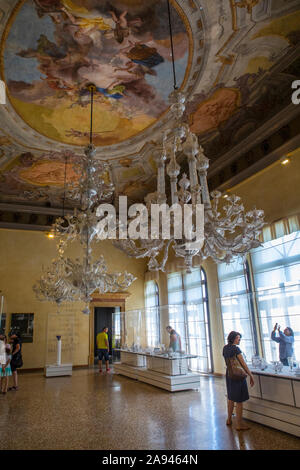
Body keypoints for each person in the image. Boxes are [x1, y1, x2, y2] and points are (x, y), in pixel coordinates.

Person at [223, 331, 255, 431]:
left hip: (229, 374)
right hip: (238, 375)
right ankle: (239, 424)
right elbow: (243, 363)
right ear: (233, 338)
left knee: (231, 398)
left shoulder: (225, 348)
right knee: (239, 401)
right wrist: (250, 375)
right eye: (237, 338)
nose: (239, 339)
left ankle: (229, 419)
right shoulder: (236, 349)